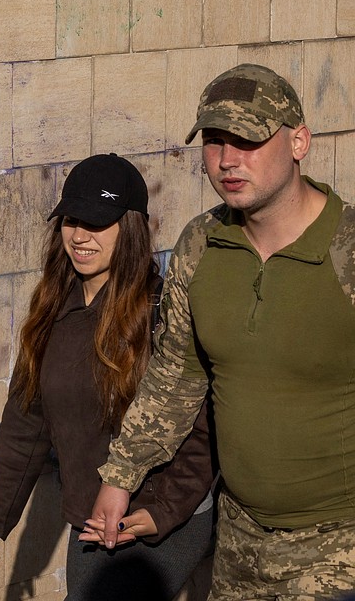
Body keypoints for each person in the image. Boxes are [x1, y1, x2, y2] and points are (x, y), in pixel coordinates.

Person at [87, 63, 355, 600]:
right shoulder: (201, 244)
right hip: (238, 543)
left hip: (339, 546)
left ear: (299, 141)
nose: (228, 160)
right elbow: (174, 379)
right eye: (214, 142)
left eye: (249, 140)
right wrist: (119, 479)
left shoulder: (347, 250)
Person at [0, 153, 216, 600]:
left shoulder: (162, 312)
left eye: (96, 223)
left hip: (164, 519)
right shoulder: (51, 313)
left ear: (130, 228)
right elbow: (24, 429)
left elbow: (204, 427)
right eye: (71, 220)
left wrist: (162, 511)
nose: (79, 236)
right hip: (93, 520)